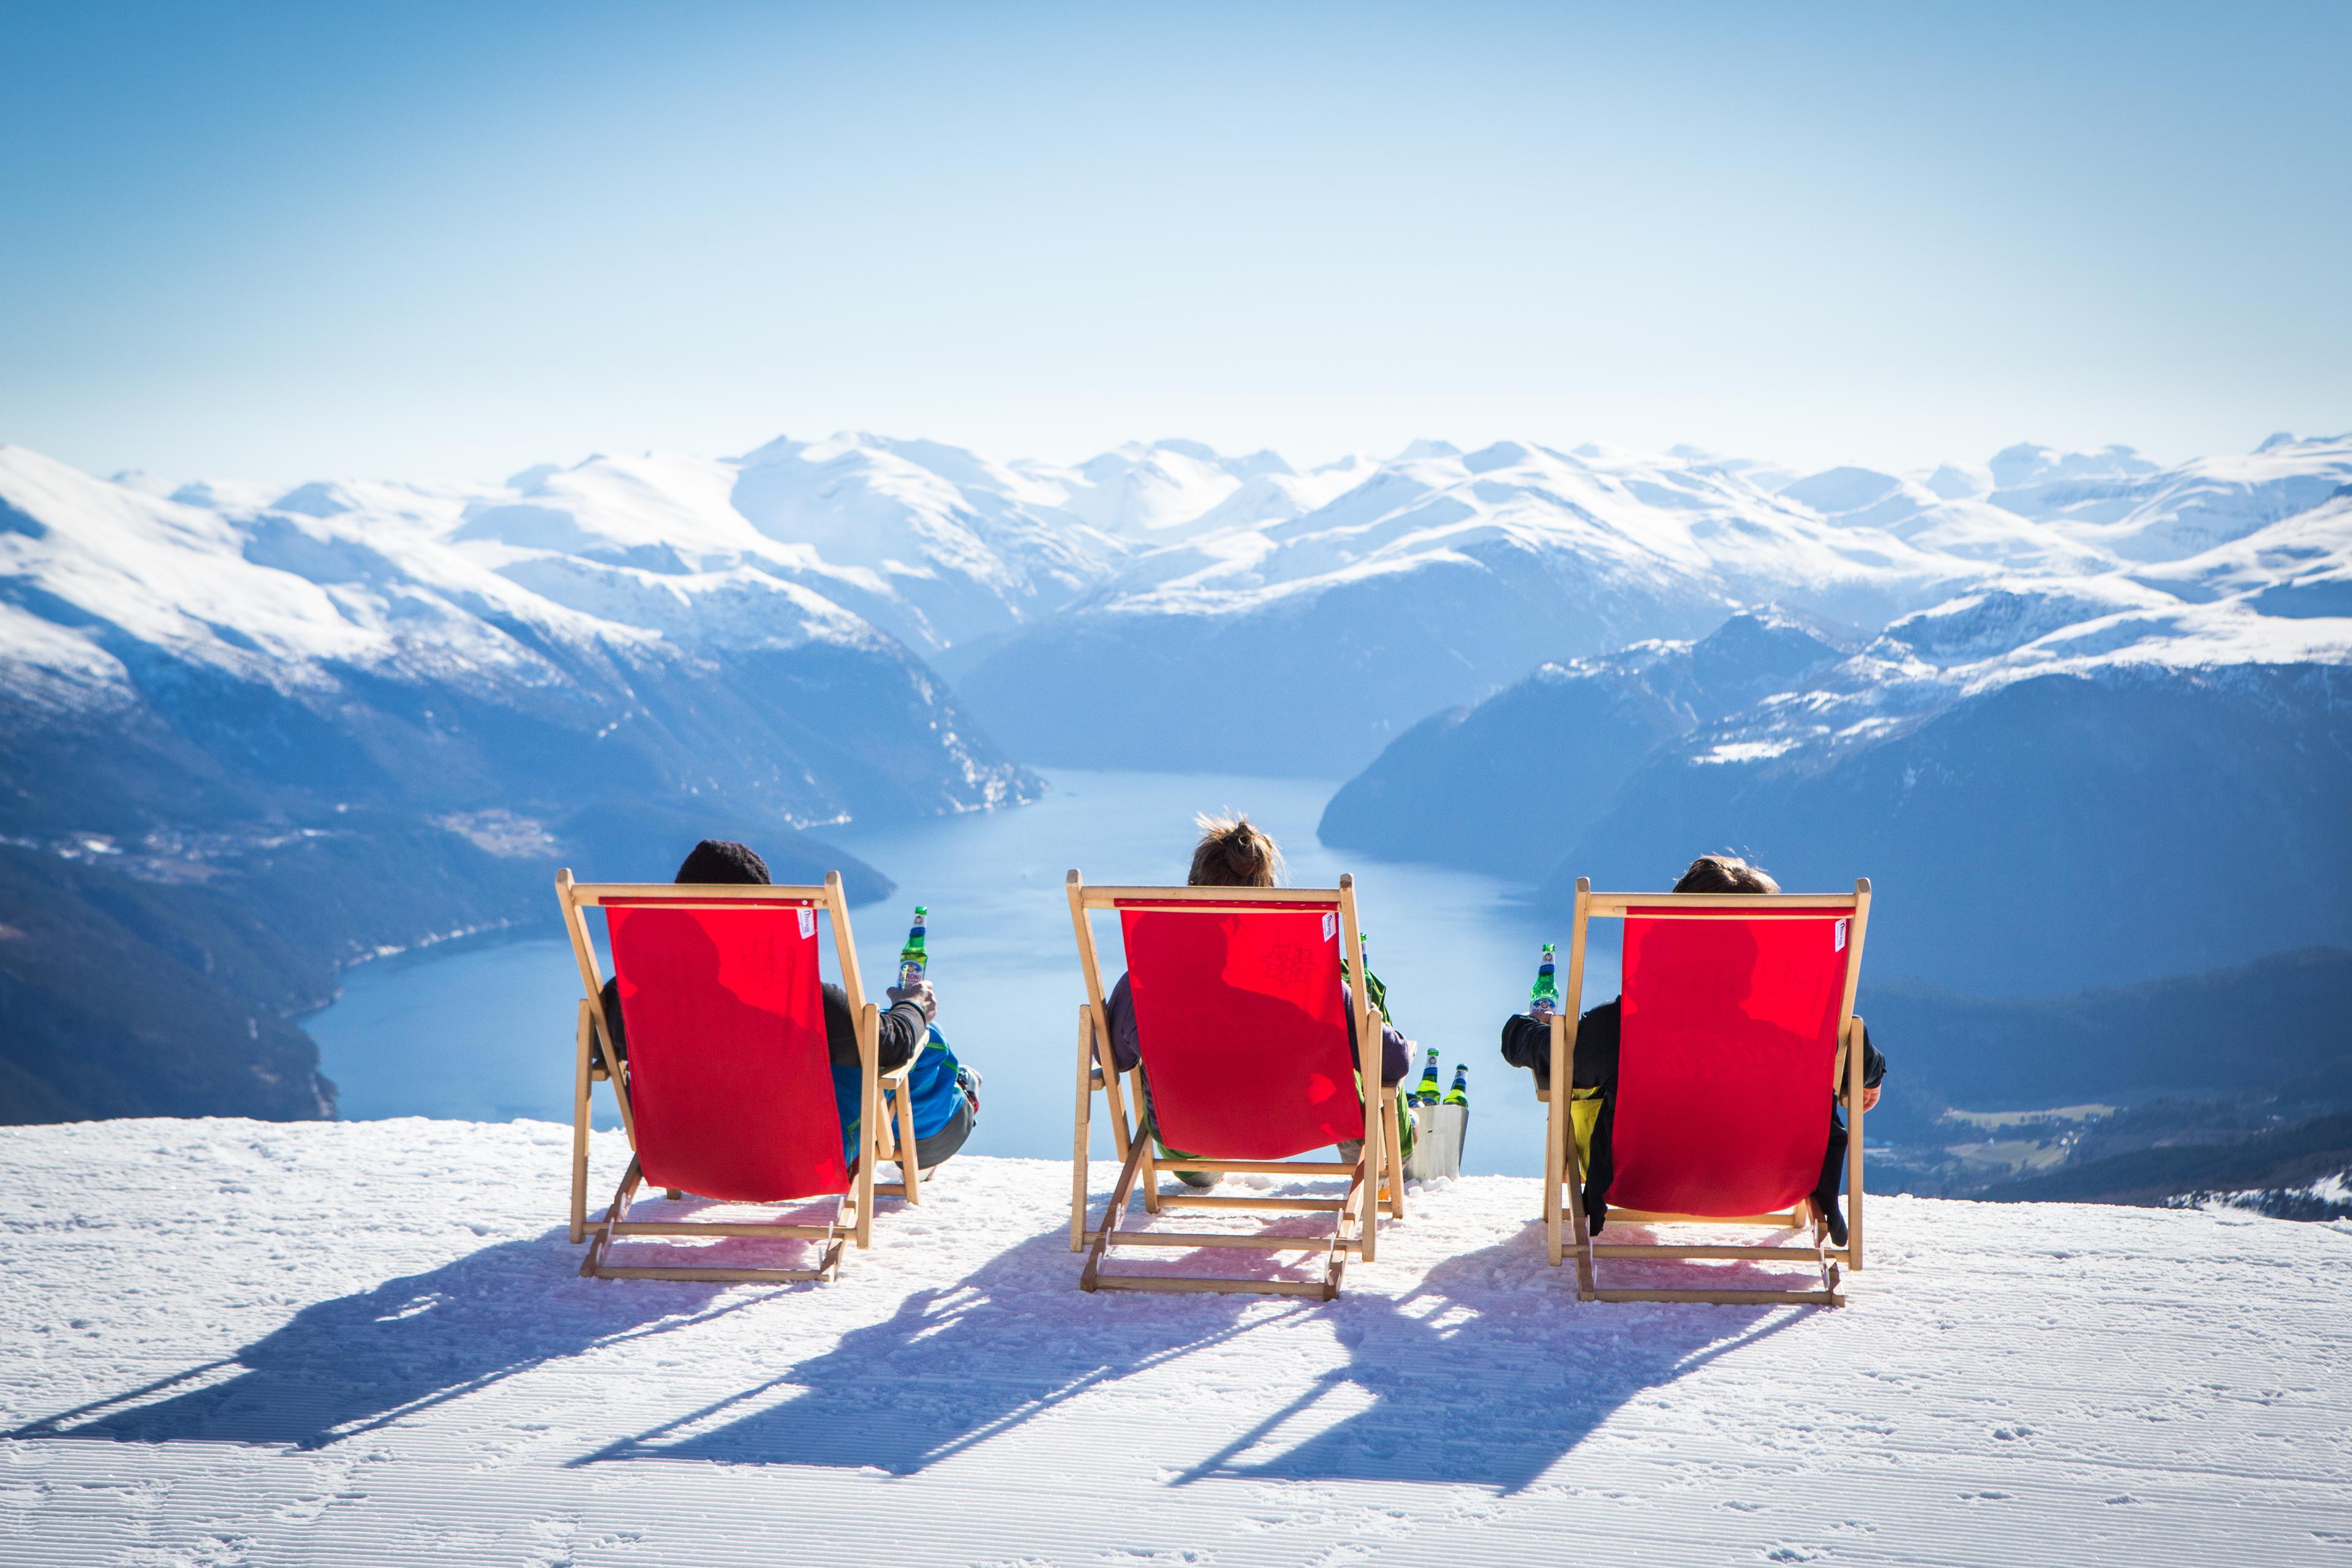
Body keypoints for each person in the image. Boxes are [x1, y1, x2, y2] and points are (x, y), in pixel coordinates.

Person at [1497, 853, 1885, 1243]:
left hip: (1641, 1179)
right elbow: (1858, 1061)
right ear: (1754, 959)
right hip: (1770, 1182)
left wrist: (1527, 1030)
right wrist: (1868, 1076)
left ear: (1667, 942)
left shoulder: (1624, 1031)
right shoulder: (1790, 1039)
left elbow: (1558, 1058)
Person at [595, 839, 980, 1178]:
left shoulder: (626, 1001)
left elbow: (600, 1057)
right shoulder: (801, 1003)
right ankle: (940, 1128)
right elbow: (892, 1046)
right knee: (924, 1042)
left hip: (682, 1157)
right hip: (794, 1164)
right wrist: (914, 1005)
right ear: (761, 912)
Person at [1101, 813, 1414, 1189]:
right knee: (1361, 1048)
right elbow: (1392, 1061)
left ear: (1192, 889)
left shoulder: (1144, 986)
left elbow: (1113, 1060)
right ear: (1269, 895)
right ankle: (1379, 1162)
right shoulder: (1312, 987)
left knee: (1154, 1051)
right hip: (1301, 1127)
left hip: (1191, 1143)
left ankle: (1200, 1157)